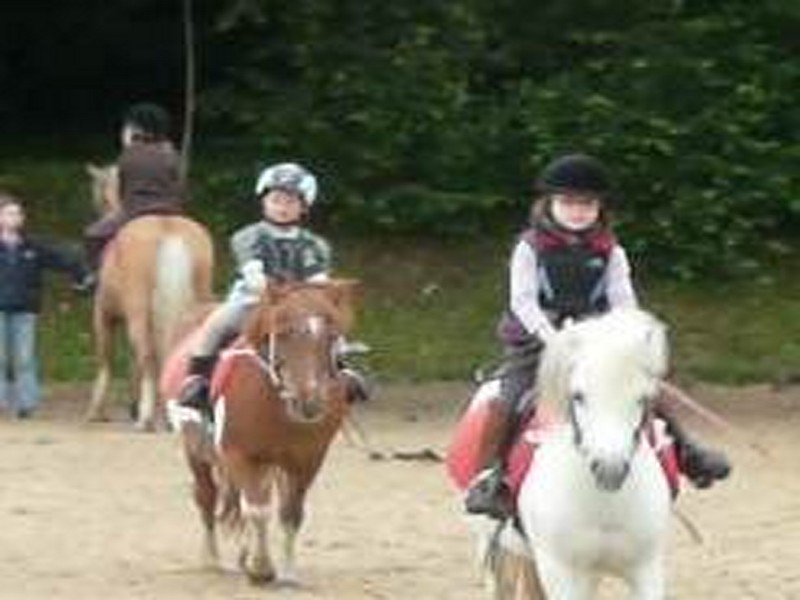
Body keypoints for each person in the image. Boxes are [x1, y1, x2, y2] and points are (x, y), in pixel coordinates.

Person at [464, 154, 731, 519]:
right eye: (568, 203)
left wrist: (627, 337)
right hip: (537, 344)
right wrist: (554, 339)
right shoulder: (529, 247)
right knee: (508, 399)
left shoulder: (611, 251)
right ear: (550, 203)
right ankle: (489, 478)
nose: (578, 212)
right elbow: (523, 302)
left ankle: (688, 451)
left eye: (587, 204)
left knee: (644, 389)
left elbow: (623, 300)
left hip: (597, 344)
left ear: (599, 208)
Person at [177, 162, 370, 413]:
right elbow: (253, 273)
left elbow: (317, 279)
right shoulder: (248, 236)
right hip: (254, 300)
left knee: (325, 327)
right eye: (276, 200)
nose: (282, 207)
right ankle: (197, 378)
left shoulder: (314, 244)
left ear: (303, 207)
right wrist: (268, 289)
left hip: (300, 305)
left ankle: (343, 368)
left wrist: (316, 297)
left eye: (290, 202)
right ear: (264, 202)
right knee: (219, 322)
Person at [0, 193, 91, 418]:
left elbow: (62, 259)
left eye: (18, 213)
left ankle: (27, 404)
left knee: (25, 357)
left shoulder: (33, 246)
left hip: (26, 310)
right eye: (9, 213)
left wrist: (82, 273)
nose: (15, 217)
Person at [84, 102, 184, 271]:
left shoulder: (128, 155)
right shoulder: (173, 154)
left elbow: (123, 191)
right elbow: (179, 187)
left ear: (136, 129)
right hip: (173, 212)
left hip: (136, 212)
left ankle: (93, 275)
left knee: (93, 234)